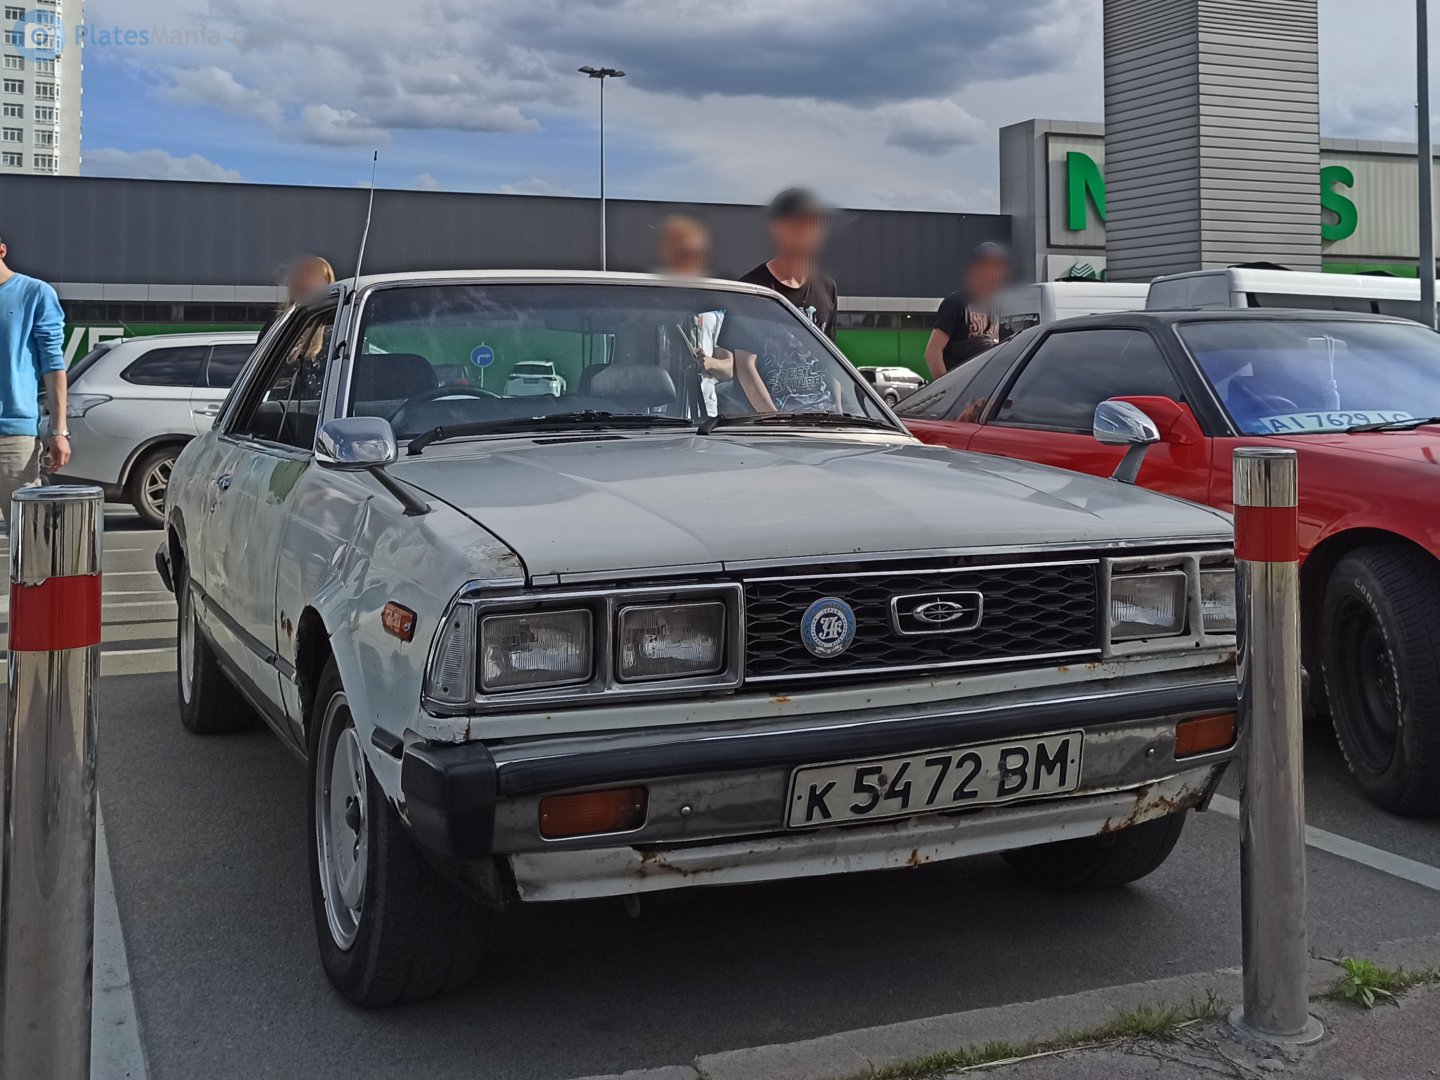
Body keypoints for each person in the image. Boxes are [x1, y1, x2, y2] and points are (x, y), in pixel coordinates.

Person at [0, 230, 69, 531]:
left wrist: (59, 430)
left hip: (13, 435)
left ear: (1, 250)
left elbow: (53, 366)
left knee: (28, 537)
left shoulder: (35, 293)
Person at [738, 188, 838, 340]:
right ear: (774, 228)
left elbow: (830, 352)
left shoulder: (827, 287)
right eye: (796, 223)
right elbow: (744, 360)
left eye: (812, 223)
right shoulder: (751, 289)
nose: (805, 231)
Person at [925, 242, 1012, 380]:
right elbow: (932, 352)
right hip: (960, 390)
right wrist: (947, 389)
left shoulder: (996, 307)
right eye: (990, 268)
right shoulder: (956, 303)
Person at [260, 254, 336, 338]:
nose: (307, 284)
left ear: (327, 284)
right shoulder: (280, 322)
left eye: (314, 281)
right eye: (301, 287)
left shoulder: (337, 320)